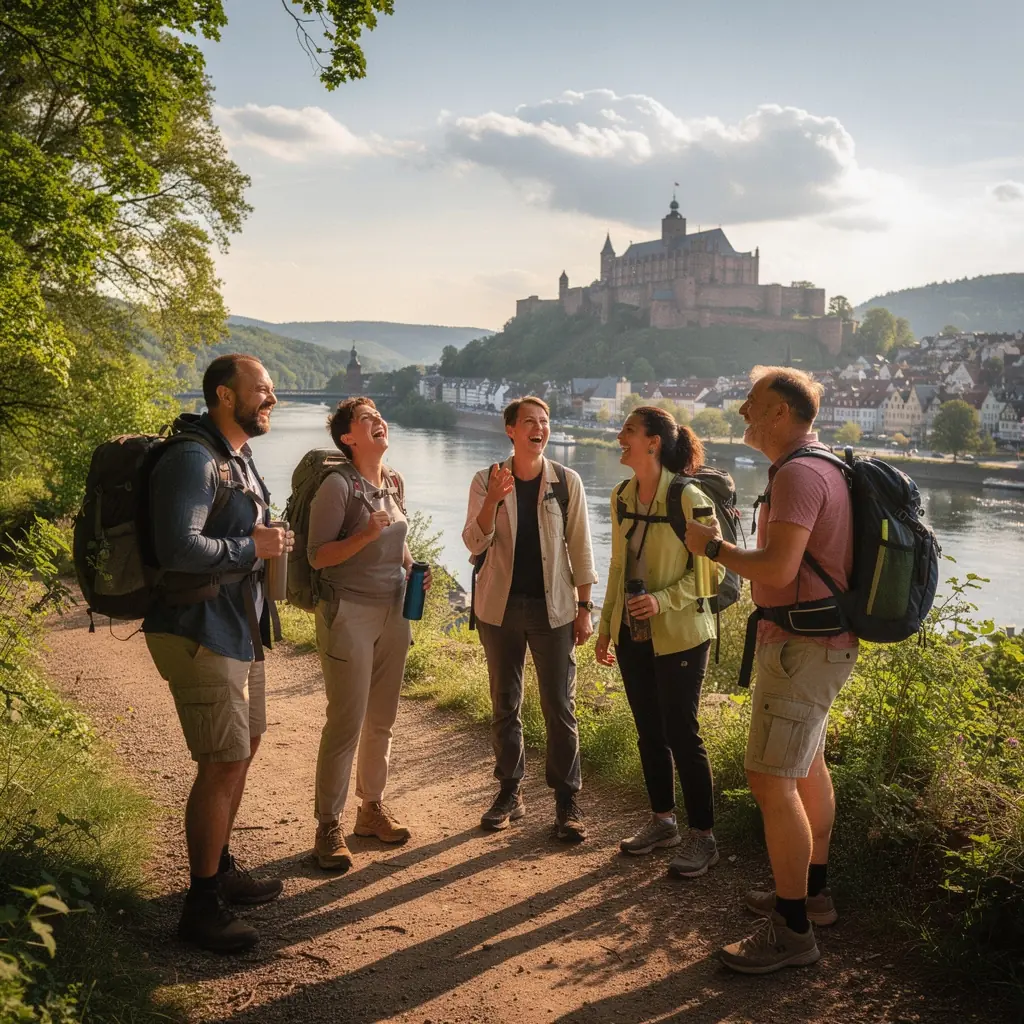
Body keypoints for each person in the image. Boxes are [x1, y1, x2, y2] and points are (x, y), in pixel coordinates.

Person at [685, 366, 858, 975]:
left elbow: (779, 570)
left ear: (781, 413)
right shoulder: (825, 467)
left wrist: (710, 547)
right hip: (819, 643)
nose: (742, 413)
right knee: (806, 764)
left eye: (752, 404)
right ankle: (814, 893)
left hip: (801, 648)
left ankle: (792, 931)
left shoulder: (798, 476)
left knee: (770, 780)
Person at [143, 353, 294, 954]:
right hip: (198, 628)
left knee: (242, 749)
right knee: (221, 761)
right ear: (225, 396)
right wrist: (249, 545)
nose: (272, 398)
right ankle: (200, 907)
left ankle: (221, 867)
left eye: (273, 389)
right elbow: (177, 548)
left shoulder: (237, 457)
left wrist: (264, 542)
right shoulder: (192, 458)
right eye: (263, 389)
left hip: (237, 628)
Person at [462, 396, 598, 841]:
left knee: (559, 706)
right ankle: (509, 792)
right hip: (498, 609)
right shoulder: (486, 479)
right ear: (511, 430)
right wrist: (493, 502)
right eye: (529, 422)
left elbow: (580, 547)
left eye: (544, 422)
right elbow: (474, 543)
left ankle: (566, 802)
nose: (539, 429)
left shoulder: (565, 480)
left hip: (554, 609)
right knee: (505, 703)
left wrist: (584, 609)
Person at [595, 407, 723, 878]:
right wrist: (607, 626)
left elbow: (712, 573)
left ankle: (703, 837)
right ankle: (663, 822)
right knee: (649, 729)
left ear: (653, 442)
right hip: (634, 633)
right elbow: (617, 567)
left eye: (628, 430)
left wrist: (661, 601)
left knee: (681, 734)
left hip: (683, 634)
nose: (620, 436)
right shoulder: (621, 494)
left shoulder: (689, 497)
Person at [307, 397, 430, 872]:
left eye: (380, 415)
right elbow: (318, 556)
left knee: (382, 719)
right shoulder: (337, 487)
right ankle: (327, 826)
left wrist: (411, 567)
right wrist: (362, 536)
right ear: (347, 438)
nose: (379, 421)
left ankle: (370, 810)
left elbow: (397, 538)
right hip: (349, 613)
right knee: (345, 722)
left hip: (394, 612)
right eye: (366, 419)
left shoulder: (393, 481)